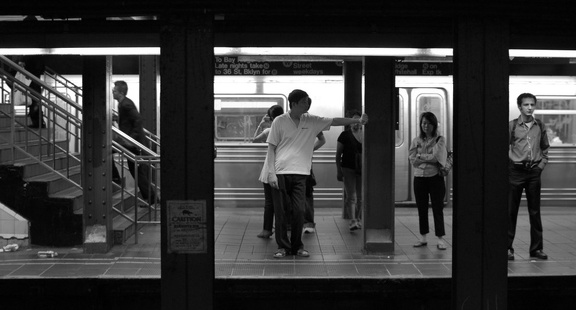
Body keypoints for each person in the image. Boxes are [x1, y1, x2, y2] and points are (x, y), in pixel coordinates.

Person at [266, 89, 368, 258]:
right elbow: (271, 147)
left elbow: (334, 121)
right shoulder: (279, 121)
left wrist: (356, 120)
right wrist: (271, 173)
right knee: (282, 212)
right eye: (305, 101)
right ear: (295, 103)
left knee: (299, 211)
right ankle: (283, 247)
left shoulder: (311, 120)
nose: (308, 103)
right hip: (280, 172)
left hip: (301, 173)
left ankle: (297, 246)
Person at [508, 93, 550, 260]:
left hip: (534, 172)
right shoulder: (511, 126)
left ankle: (536, 249)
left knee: (535, 211)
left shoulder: (540, 125)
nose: (530, 107)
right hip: (515, 172)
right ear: (520, 107)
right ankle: (508, 248)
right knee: (511, 211)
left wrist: (541, 166)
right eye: (526, 104)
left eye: (532, 104)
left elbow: (545, 148)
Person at [111, 80, 157, 205]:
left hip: (132, 143)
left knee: (108, 151)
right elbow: (128, 121)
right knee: (136, 172)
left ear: (121, 92)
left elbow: (137, 120)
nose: (112, 92)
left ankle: (115, 177)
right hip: (130, 142)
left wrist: (131, 138)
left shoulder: (126, 104)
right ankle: (151, 197)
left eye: (114, 91)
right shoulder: (123, 104)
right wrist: (116, 119)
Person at [409, 112, 448, 250]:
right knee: (422, 208)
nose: (425, 126)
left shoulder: (440, 140)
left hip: (435, 178)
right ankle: (423, 237)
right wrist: (425, 157)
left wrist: (420, 156)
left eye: (428, 123)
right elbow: (412, 159)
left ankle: (440, 238)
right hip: (419, 178)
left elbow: (437, 158)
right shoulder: (416, 140)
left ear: (434, 124)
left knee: (438, 208)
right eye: (423, 123)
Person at [255, 105, 284, 238]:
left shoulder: (269, 130)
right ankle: (285, 227)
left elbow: (254, 140)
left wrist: (261, 123)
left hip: (269, 169)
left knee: (269, 202)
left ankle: (267, 229)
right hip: (284, 168)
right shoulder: (287, 129)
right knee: (283, 201)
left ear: (271, 117)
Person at [336, 110, 363, 232]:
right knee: (351, 196)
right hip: (347, 168)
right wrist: (338, 170)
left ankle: (358, 219)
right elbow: (338, 154)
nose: (356, 123)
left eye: (359, 120)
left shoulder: (365, 135)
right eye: (354, 120)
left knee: (360, 196)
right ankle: (352, 220)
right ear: (349, 122)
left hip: (362, 169)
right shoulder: (344, 135)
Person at [302, 132, 326, 234]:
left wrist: (310, 149)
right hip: (304, 165)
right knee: (306, 195)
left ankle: (306, 222)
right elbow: (322, 140)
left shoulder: (311, 122)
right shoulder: (311, 123)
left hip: (303, 166)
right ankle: (307, 223)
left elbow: (322, 140)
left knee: (305, 194)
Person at [20, 55, 46, 128]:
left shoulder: (30, 56)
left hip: (32, 81)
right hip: (35, 81)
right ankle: (39, 122)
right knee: (36, 103)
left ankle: (37, 122)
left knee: (34, 103)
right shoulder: (38, 56)